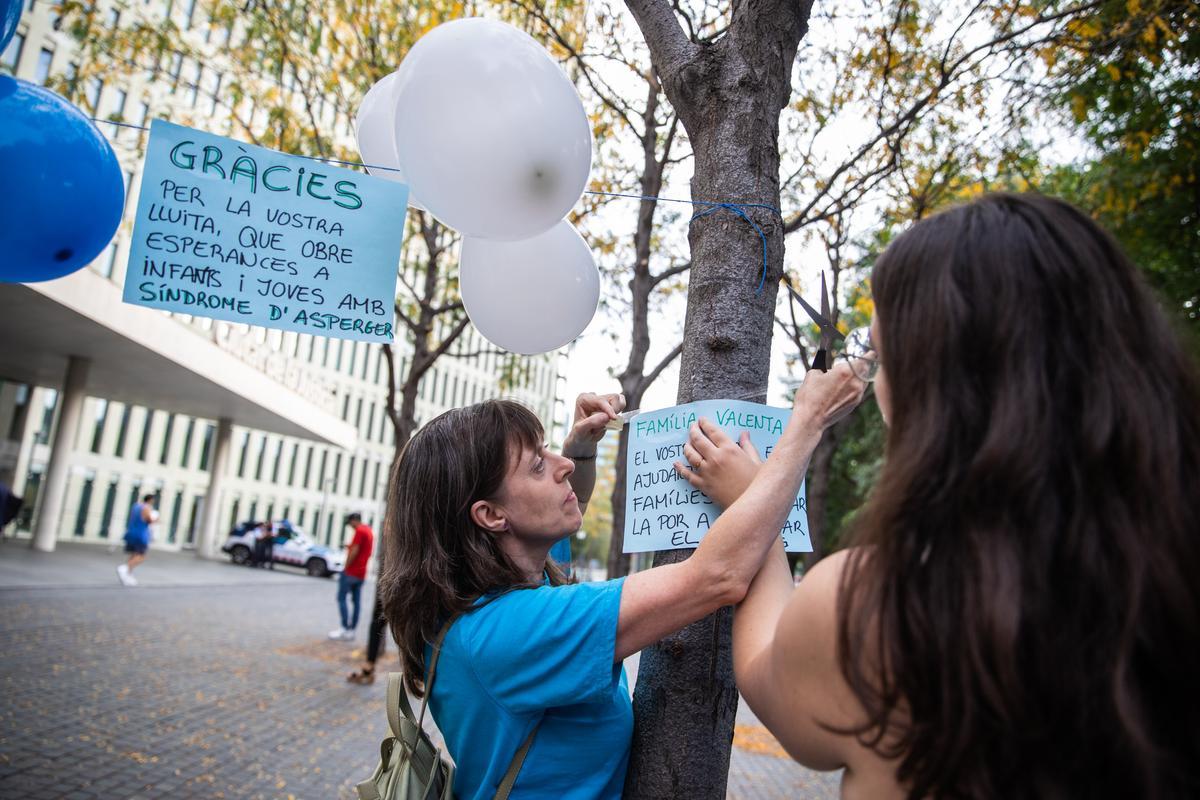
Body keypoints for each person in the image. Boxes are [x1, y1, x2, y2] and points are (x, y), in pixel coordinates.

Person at [678, 193, 1200, 799]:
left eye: (879, 354)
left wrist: (753, 500)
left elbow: (764, 668)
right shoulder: (1171, 578)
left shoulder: (877, 609)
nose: (871, 379)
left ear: (932, 382)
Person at [379, 380, 863, 799]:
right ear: (491, 516)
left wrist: (581, 449)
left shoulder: (487, 595)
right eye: (535, 466)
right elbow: (718, 574)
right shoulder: (513, 631)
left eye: (549, 451)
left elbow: (575, 505)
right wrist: (807, 423)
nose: (560, 466)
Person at [329, 512, 374, 641]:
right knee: (356, 602)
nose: (350, 526)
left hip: (351, 572)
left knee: (341, 598)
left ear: (354, 520)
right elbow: (364, 550)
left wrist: (346, 567)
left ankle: (344, 627)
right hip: (362, 572)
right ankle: (352, 630)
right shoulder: (369, 531)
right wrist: (349, 546)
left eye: (350, 523)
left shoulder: (359, 531)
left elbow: (355, 550)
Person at [117, 493, 158, 587]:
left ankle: (127, 575)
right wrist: (156, 519)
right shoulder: (146, 508)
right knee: (141, 556)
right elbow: (149, 520)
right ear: (150, 500)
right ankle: (125, 568)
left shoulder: (136, 506)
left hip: (131, 532)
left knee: (134, 554)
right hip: (141, 534)